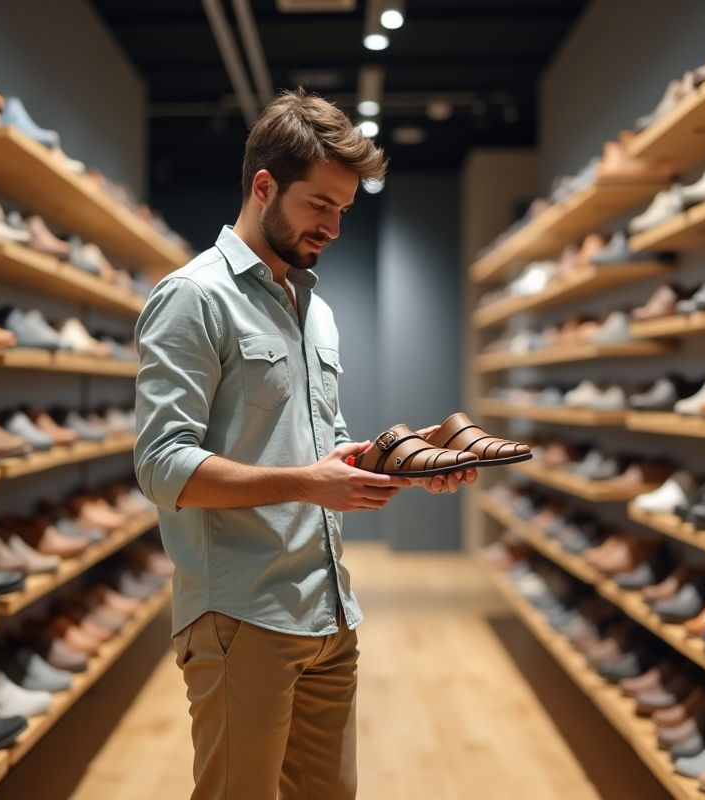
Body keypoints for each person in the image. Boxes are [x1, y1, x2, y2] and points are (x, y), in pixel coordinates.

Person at [133, 89, 476, 800]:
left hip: (328, 610)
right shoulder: (192, 298)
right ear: (265, 187)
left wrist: (406, 461)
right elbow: (163, 464)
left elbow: (326, 447)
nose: (334, 227)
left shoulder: (312, 310)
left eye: (344, 210)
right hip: (241, 617)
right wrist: (305, 483)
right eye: (320, 205)